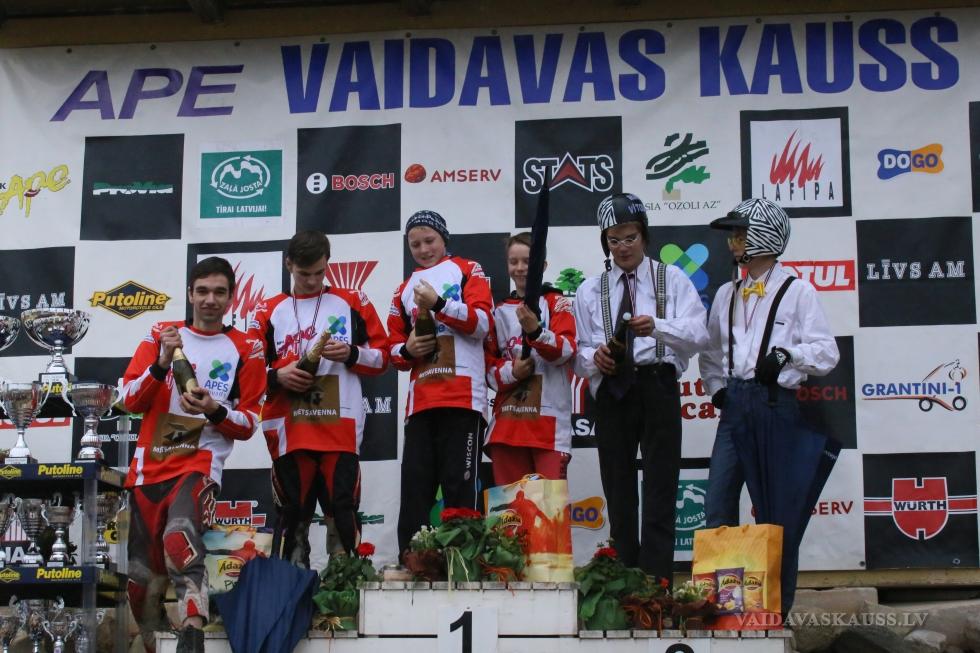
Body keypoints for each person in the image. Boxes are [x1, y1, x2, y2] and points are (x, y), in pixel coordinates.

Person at [699, 198, 839, 612]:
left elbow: (826, 353)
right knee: (717, 505)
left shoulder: (798, 291)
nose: (733, 242)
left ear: (766, 237)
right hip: (735, 407)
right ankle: (725, 608)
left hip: (777, 406)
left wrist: (787, 355)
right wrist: (717, 389)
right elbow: (710, 352)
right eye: (733, 235)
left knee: (776, 516)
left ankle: (774, 611)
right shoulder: (727, 294)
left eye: (741, 234)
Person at [122, 256, 266, 653]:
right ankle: (154, 643)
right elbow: (129, 400)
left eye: (219, 292)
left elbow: (249, 422)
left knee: (180, 538)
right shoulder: (161, 335)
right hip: (150, 467)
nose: (210, 300)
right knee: (140, 582)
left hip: (199, 463)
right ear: (189, 294)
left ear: (231, 298)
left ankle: (193, 631)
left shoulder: (247, 348)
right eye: (202, 291)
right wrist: (161, 364)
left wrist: (214, 410)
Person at [573, 192, 708, 585]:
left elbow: (699, 333)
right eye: (613, 239)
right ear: (605, 242)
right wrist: (594, 358)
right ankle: (625, 582)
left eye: (629, 237)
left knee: (661, 486)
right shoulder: (590, 289)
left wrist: (658, 327)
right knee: (618, 489)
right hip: (613, 391)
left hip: (657, 385)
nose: (622, 247)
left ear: (644, 236)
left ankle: (657, 585)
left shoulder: (672, 278)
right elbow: (578, 350)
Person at [246, 230, 389, 566]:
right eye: (303, 273)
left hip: (340, 426)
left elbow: (384, 358)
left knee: (342, 512)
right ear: (288, 265)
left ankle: (343, 587)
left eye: (319, 273)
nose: (312, 281)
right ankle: (293, 588)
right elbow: (247, 373)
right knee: (292, 517)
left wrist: (352, 353)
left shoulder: (352, 301)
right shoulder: (268, 310)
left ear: (328, 264)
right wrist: (276, 376)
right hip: (289, 429)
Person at [388, 210, 493, 555]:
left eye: (429, 241)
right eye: (415, 244)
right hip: (421, 404)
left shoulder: (468, 269)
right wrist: (409, 348)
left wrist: (440, 305)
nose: (423, 249)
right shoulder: (403, 289)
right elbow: (393, 351)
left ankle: (464, 566)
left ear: (444, 239)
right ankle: (412, 563)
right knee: (415, 491)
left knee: (460, 490)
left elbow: (482, 323)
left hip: (463, 398)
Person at [484, 232, 576, 484]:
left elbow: (567, 351)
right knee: (511, 508)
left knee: (550, 508)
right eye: (513, 261)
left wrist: (536, 332)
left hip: (548, 428)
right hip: (506, 428)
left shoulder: (556, 302)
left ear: (542, 265)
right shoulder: (499, 311)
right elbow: (488, 371)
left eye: (527, 261)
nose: (520, 268)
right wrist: (513, 371)